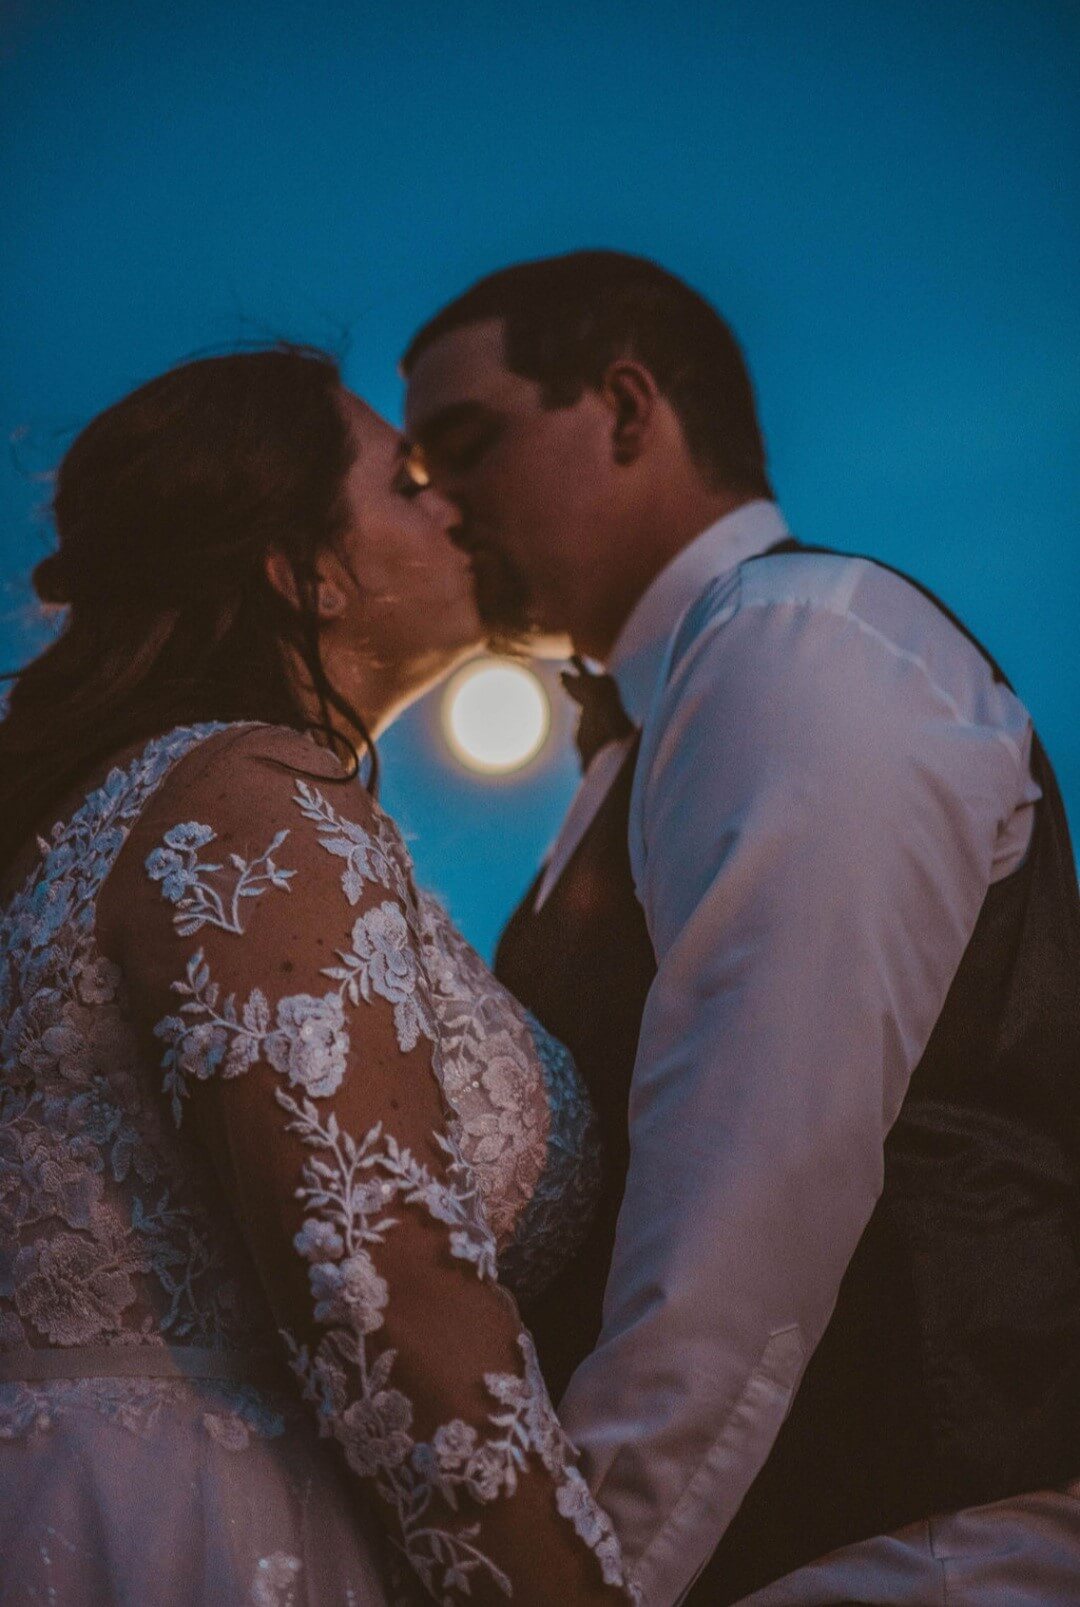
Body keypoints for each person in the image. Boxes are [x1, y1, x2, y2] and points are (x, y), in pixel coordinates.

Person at [401, 251, 1080, 1606]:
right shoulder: (638, 747)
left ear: (627, 407)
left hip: (923, 1550)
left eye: (464, 448)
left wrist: (576, 1579)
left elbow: (744, 1213)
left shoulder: (802, 645)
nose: (443, 508)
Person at [0, 345, 638, 1605]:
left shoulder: (135, 810)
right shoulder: (252, 806)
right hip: (191, 1535)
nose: (453, 505)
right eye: (408, 482)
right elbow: (383, 1286)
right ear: (310, 576)